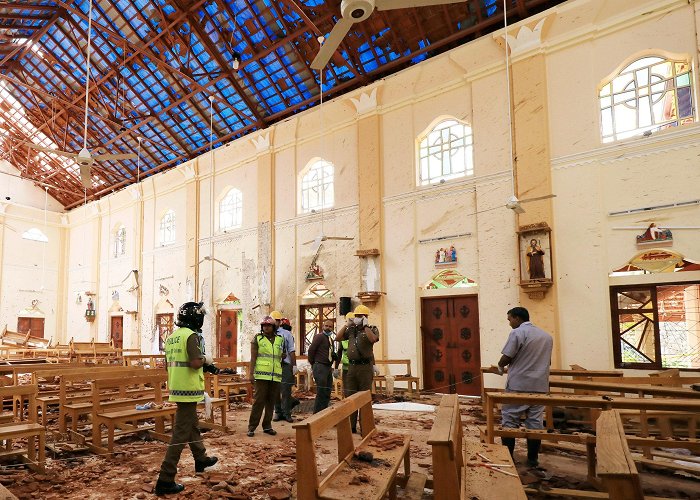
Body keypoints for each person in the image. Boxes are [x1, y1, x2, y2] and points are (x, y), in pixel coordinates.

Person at [155, 302, 219, 496]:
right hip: (189, 388)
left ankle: (201, 458)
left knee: (191, 425)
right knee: (180, 433)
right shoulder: (191, 336)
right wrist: (206, 360)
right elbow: (194, 362)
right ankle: (165, 479)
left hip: (177, 387)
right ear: (195, 318)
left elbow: (169, 365)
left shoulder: (172, 337)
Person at [495, 307, 553, 468]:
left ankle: (508, 458)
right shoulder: (546, 336)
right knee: (535, 422)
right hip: (540, 385)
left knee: (510, 419)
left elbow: (508, 355)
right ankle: (533, 459)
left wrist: (500, 366)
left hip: (519, 384)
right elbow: (547, 361)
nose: (509, 323)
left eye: (510, 320)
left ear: (517, 318)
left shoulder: (518, 333)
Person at [336, 305, 379, 433]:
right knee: (350, 397)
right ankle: (351, 426)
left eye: (360, 316)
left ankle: (365, 426)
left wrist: (365, 326)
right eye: (356, 316)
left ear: (365, 317)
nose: (357, 318)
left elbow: (373, 339)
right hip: (352, 367)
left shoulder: (372, 329)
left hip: (365, 367)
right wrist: (347, 325)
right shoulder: (351, 331)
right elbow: (337, 338)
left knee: (364, 398)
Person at [247, 315, 285, 437]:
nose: (266, 328)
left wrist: (282, 356)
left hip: (276, 376)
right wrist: (251, 373)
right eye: (264, 326)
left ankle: (267, 426)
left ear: (274, 327)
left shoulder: (280, 339)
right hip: (261, 375)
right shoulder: (257, 339)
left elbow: (279, 355)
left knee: (271, 401)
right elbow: (253, 357)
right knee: (259, 401)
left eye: (268, 325)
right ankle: (252, 427)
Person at [273, 317, 300, 422]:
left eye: (277, 320)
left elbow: (291, 351)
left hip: (285, 364)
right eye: (273, 320)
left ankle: (287, 413)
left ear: (279, 322)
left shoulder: (286, 334)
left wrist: (294, 366)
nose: (275, 322)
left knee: (285, 390)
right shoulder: (266, 334)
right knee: (275, 390)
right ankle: (277, 412)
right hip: (273, 365)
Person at [307, 319, 336, 413]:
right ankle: (317, 414)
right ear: (323, 326)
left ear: (333, 328)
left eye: (330, 326)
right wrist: (314, 363)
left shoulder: (330, 340)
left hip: (327, 367)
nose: (328, 328)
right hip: (320, 366)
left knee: (327, 391)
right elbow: (311, 350)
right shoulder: (319, 337)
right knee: (321, 391)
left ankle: (323, 413)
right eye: (326, 326)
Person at [333, 313, 354, 398]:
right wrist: (336, 368)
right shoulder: (344, 336)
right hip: (346, 368)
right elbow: (339, 353)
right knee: (347, 391)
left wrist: (373, 365)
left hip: (356, 367)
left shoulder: (359, 334)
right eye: (348, 321)